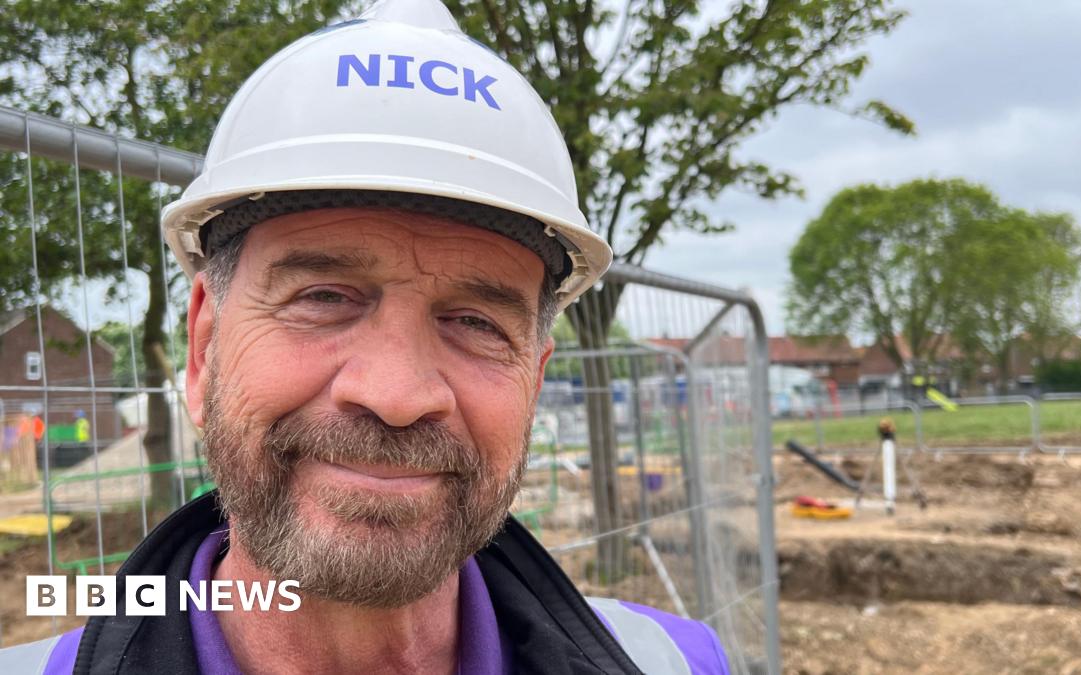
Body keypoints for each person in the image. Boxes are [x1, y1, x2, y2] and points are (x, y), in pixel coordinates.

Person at [2, 1, 731, 673]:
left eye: (476, 322)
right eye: (322, 297)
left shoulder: (675, 661)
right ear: (204, 350)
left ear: (533, 381)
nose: (395, 394)